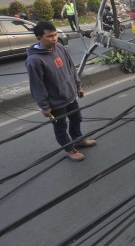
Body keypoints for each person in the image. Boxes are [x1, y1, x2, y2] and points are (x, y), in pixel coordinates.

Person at [26, 22, 96, 161]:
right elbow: (36, 85)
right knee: (61, 126)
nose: (54, 38)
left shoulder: (59, 47)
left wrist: (78, 86)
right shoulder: (34, 60)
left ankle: (78, 139)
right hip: (55, 102)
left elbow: (71, 68)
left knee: (77, 118)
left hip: (70, 95)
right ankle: (69, 149)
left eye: (55, 34)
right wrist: (44, 106)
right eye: (50, 36)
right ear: (39, 38)